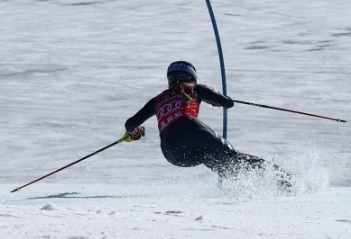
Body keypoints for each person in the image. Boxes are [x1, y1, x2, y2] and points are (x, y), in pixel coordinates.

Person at [123, 60, 291, 189]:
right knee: (232, 158)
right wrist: (215, 97)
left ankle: (247, 188)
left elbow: (130, 124)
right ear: (191, 77)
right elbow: (227, 103)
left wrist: (135, 132)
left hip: (171, 153)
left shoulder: (157, 100)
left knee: (210, 157)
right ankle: (282, 179)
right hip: (191, 129)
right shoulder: (194, 89)